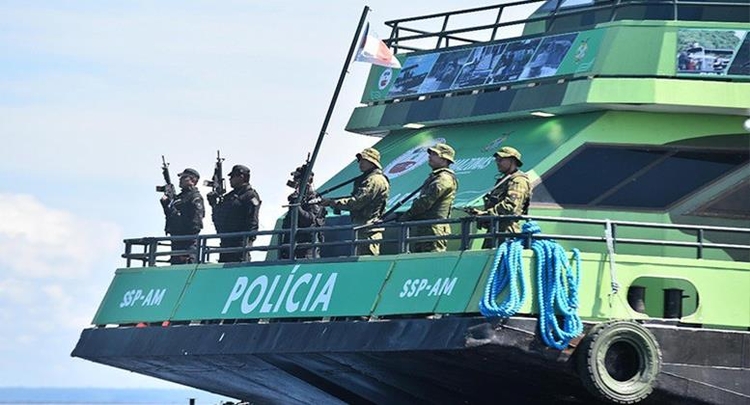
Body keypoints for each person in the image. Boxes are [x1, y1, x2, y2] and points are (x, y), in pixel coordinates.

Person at [321, 147, 390, 256]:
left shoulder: (374, 180)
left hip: (368, 229)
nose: (360, 163)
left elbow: (357, 202)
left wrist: (333, 203)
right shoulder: (370, 179)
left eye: (364, 160)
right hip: (363, 228)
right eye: (360, 161)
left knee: (366, 264)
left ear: (372, 162)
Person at [467, 146, 531, 248]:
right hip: (494, 231)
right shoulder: (503, 180)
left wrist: (486, 214)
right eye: (497, 160)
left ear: (512, 160)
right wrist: (481, 216)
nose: (498, 162)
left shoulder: (518, 180)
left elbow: (510, 206)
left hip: (507, 233)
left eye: (501, 160)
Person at [399, 143, 458, 253]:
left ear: (445, 159)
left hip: (434, 230)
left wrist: (407, 216)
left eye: (435, 154)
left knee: (432, 263)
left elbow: (425, 202)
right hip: (427, 228)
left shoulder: (443, 178)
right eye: (430, 154)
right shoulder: (436, 177)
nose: (430, 156)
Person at [208, 164, 261, 263]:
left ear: (241, 177)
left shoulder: (250, 195)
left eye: (233, 177)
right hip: (226, 242)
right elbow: (219, 218)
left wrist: (249, 240)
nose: (230, 179)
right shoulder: (229, 196)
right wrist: (214, 204)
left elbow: (253, 218)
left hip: (239, 243)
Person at [280, 166, 326, 259]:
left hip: (307, 251)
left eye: (298, 179)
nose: (295, 182)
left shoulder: (314, 200)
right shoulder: (298, 199)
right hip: (291, 249)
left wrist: (297, 207)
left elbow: (309, 220)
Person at [160, 168, 204, 264]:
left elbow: (195, 224)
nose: (180, 180)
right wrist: (166, 205)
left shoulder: (194, 197)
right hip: (176, 241)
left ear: (193, 180)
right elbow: (171, 217)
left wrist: (173, 210)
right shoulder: (179, 197)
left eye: (184, 177)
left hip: (187, 243)